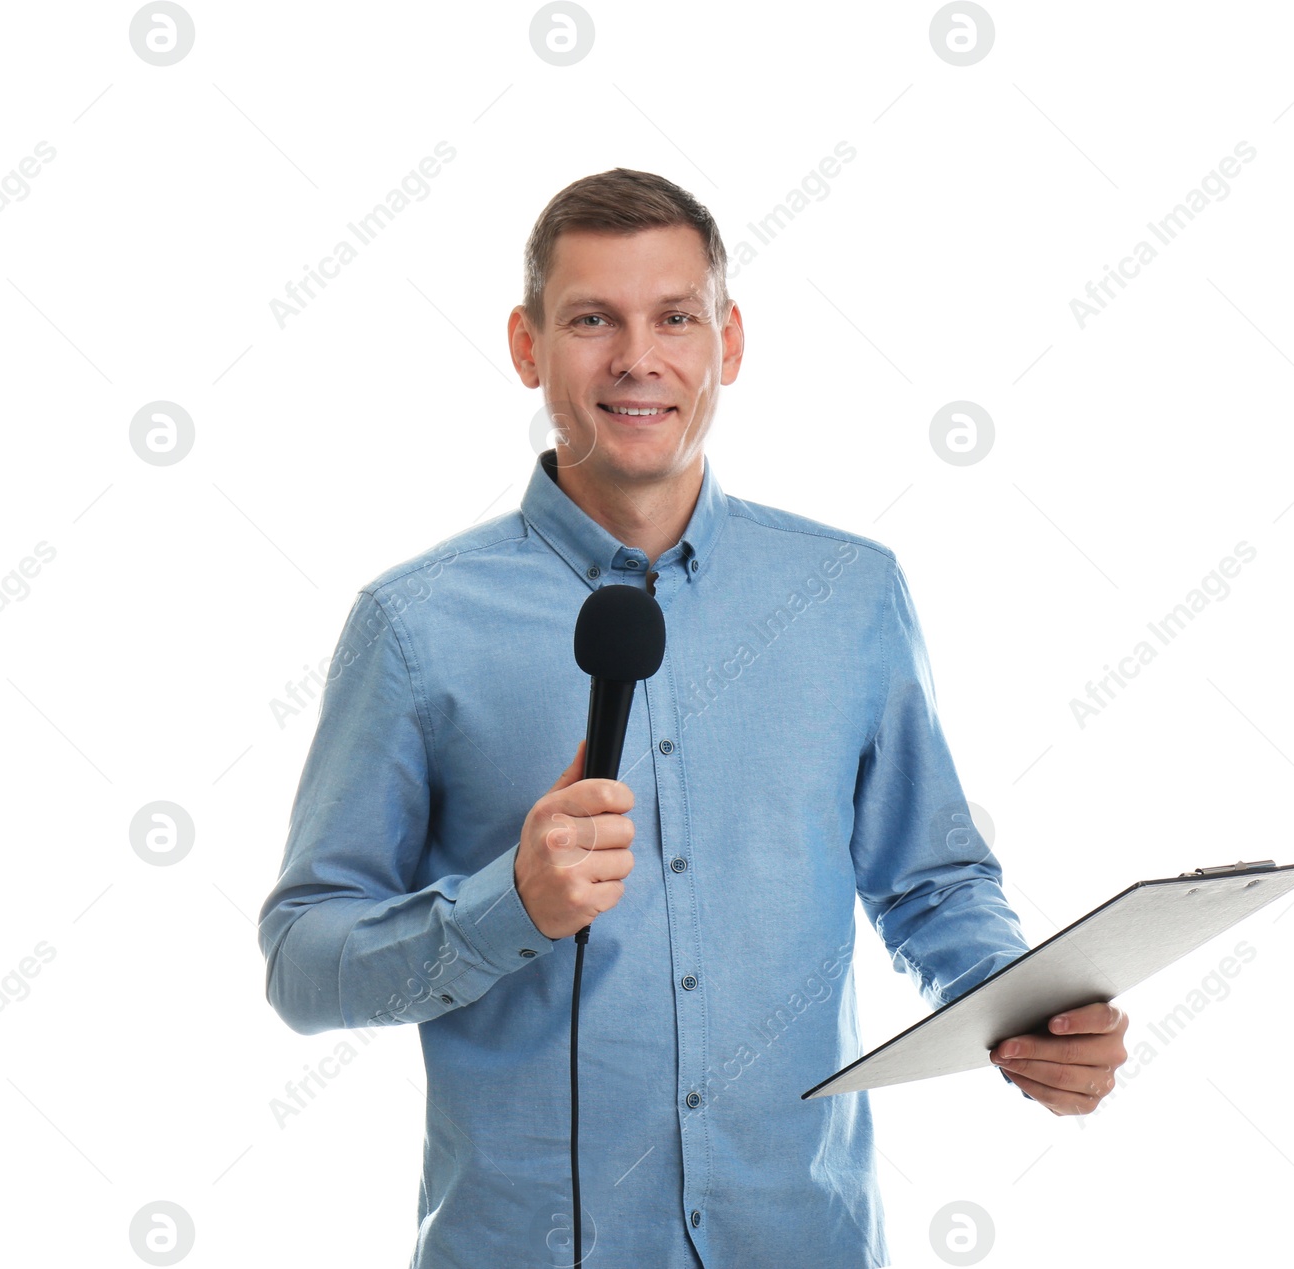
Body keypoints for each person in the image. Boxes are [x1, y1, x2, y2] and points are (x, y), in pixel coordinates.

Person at [256, 167, 1128, 1268]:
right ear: (527, 347)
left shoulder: (849, 593)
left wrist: (1023, 1011)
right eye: (591, 320)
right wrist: (505, 905)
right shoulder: (414, 625)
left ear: (730, 340)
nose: (637, 358)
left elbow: (934, 880)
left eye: (675, 317)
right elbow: (301, 962)